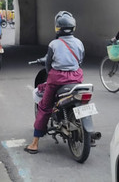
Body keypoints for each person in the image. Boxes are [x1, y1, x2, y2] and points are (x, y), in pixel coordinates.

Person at [25, 11, 85, 154]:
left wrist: (53, 70)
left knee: (45, 107)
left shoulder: (54, 44)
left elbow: (48, 64)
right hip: (76, 77)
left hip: (57, 79)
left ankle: (34, 143)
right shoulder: (79, 43)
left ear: (57, 27)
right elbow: (81, 60)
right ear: (73, 27)